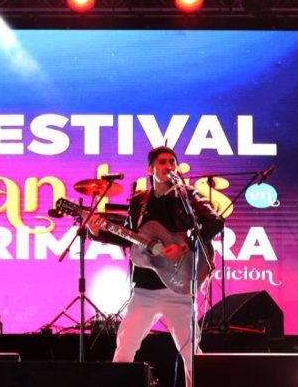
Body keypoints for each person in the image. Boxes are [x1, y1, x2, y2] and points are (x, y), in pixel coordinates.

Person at [87, 146, 224, 387]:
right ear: (150, 169)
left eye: (172, 162)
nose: (169, 166)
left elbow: (215, 222)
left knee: (191, 354)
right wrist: (97, 232)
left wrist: (183, 247)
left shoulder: (187, 196)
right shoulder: (139, 201)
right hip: (145, 290)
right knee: (125, 346)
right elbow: (130, 237)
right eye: (163, 162)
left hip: (179, 289)